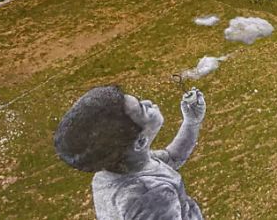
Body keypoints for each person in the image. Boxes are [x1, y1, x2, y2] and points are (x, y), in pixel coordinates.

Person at [54, 85, 206, 219]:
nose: (147, 102)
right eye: (142, 109)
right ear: (140, 142)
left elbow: (172, 157)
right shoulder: (152, 197)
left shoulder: (114, 170)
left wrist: (191, 121)